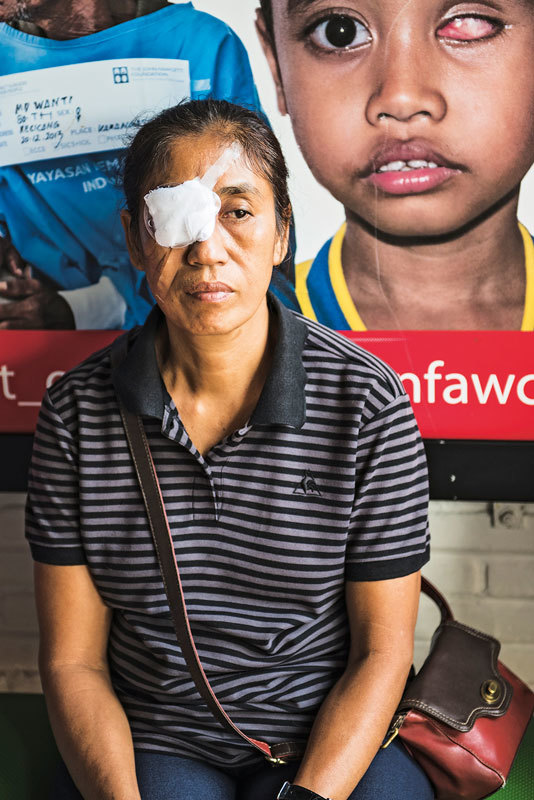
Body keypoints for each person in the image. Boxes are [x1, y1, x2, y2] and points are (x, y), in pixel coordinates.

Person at [26, 99, 432, 800]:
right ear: (135, 239)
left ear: (281, 234)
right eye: (175, 217)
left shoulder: (367, 402)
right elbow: (72, 663)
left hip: (328, 736)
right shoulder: (76, 414)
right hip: (156, 741)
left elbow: (382, 654)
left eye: (237, 211)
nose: (207, 249)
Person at [256, 0, 534, 331]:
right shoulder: (248, 335)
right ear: (277, 66)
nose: (401, 98)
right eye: (339, 32)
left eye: (470, 23)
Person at [0, 0, 264, 328]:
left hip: (185, 324)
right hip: (39, 325)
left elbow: (245, 218)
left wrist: (87, 307)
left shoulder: (196, 45)